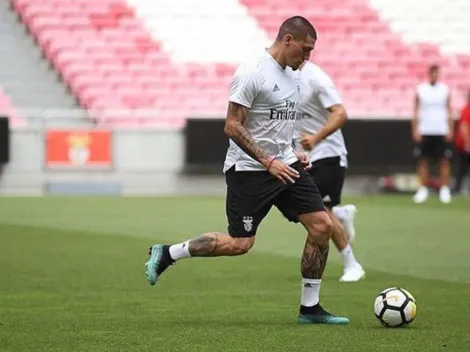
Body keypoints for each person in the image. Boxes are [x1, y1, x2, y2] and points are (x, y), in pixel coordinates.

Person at [144, 16, 349, 325]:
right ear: (288, 40)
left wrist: (291, 155)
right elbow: (232, 125)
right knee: (240, 244)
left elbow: (276, 124)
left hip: (285, 164)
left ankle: (310, 308)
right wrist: (268, 161)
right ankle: (169, 253)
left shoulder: (296, 75)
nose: (307, 58)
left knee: (322, 225)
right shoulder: (252, 72)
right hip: (250, 169)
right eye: (305, 49)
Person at [293, 60, 365, 282]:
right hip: (303, 157)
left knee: (321, 213)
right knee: (296, 209)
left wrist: (316, 137)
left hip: (328, 154)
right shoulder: (283, 77)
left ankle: (352, 264)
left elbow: (341, 113)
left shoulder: (316, 77)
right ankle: (341, 214)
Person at [412, 65, 454, 204]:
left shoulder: (445, 90)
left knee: (444, 160)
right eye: (433, 73)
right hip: (425, 130)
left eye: (437, 73)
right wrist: (415, 129)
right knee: (423, 160)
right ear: (429, 74)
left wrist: (450, 128)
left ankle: (444, 189)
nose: (435, 76)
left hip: (440, 130)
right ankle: (423, 189)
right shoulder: (421, 90)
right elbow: (416, 110)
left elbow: (449, 110)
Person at [453, 90, 470, 194]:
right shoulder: (467, 110)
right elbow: (464, 126)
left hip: (464, 144)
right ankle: (458, 188)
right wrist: (467, 142)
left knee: (462, 168)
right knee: (462, 168)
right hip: (465, 145)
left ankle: (458, 188)